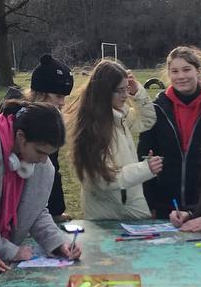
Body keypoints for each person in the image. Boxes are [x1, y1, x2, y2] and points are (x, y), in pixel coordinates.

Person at [0, 100, 81, 286]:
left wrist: (58, 243)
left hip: (3, 261)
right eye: (40, 152)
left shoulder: (41, 165)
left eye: (48, 154)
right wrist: (10, 250)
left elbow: (36, 211)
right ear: (21, 137)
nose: (43, 160)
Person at [137, 45, 201, 216]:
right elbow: (144, 156)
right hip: (165, 208)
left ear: (198, 71)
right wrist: (150, 202)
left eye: (186, 69)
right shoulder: (157, 109)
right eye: (175, 71)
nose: (181, 76)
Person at [69, 59, 162, 220]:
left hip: (130, 206)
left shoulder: (119, 115)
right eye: (120, 90)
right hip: (108, 215)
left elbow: (147, 120)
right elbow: (103, 179)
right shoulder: (91, 129)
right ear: (104, 92)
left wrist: (137, 92)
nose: (125, 95)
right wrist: (145, 169)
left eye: (126, 88)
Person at [28, 54, 75, 220]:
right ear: (41, 94)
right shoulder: (23, 122)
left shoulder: (51, 121)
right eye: (58, 96)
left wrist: (56, 211)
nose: (63, 103)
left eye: (64, 97)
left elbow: (52, 169)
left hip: (41, 214)